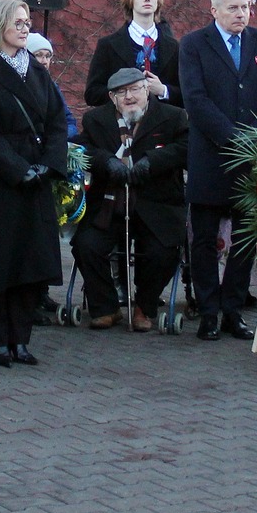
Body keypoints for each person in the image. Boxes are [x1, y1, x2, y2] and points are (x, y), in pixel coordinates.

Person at [0, 0, 70, 365]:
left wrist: (48, 165)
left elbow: (57, 122)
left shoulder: (38, 72)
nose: (25, 29)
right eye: (18, 23)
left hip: (37, 177)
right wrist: (17, 169)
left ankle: (20, 338)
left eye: (27, 23)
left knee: (30, 261)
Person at [178, 0, 257, 341]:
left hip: (251, 160)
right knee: (204, 240)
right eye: (233, 8)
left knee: (244, 239)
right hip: (211, 155)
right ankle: (208, 311)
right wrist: (232, 138)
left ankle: (233, 310)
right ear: (214, 11)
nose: (241, 14)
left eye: (245, 8)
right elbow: (195, 98)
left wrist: (254, 137)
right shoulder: (194, 44)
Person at [74, 67, 188, 332]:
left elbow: (185, 149)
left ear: (147, 90)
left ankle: (144, 307)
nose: (129, 96)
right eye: (121, 92)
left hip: (156, 203)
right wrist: (106, 161)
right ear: (111, 97)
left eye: (135, 89)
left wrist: (152, 161)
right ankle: (106, 307)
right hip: (110, 203)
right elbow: (84, 150)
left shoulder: (173, 116)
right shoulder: (95, 119)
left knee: (163, 252)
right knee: (85, 245)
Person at [84, 0, 182, 107]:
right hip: (121, 119)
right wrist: (124, 92)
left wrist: (163, 90)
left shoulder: (174, 47)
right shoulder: (108, 45)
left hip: (164, 118)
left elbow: (187, 94)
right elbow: (92, 94)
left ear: (158, 0)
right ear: (130, 0)